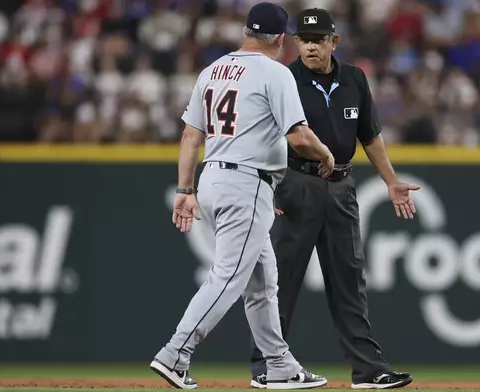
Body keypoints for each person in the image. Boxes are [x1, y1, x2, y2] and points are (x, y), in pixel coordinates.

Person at [149, 3, 335, 390]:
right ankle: (175, 354)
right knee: (230, 275)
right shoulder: (275, 72)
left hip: (215, 178)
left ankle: (279, 364)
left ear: (246, 33)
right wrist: (326, 153)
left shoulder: (212, 70)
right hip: (245, 181)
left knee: (263, 281)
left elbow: (190, 136)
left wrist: (185, 189)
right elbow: (298, 136)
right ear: (281, 39)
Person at [249, 7, 419, 390]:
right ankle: (267, 365)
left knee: (349, 281)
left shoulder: (355, 79)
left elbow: (370, 137)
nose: (309, 46)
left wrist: (391, 181)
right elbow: (263, 137)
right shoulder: (284, 78)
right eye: (303, 40)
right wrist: (266, 187)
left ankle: (369, 370)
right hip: (296, 184)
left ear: (333, 42)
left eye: (317, 39)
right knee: (282, 281)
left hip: (341, 185)